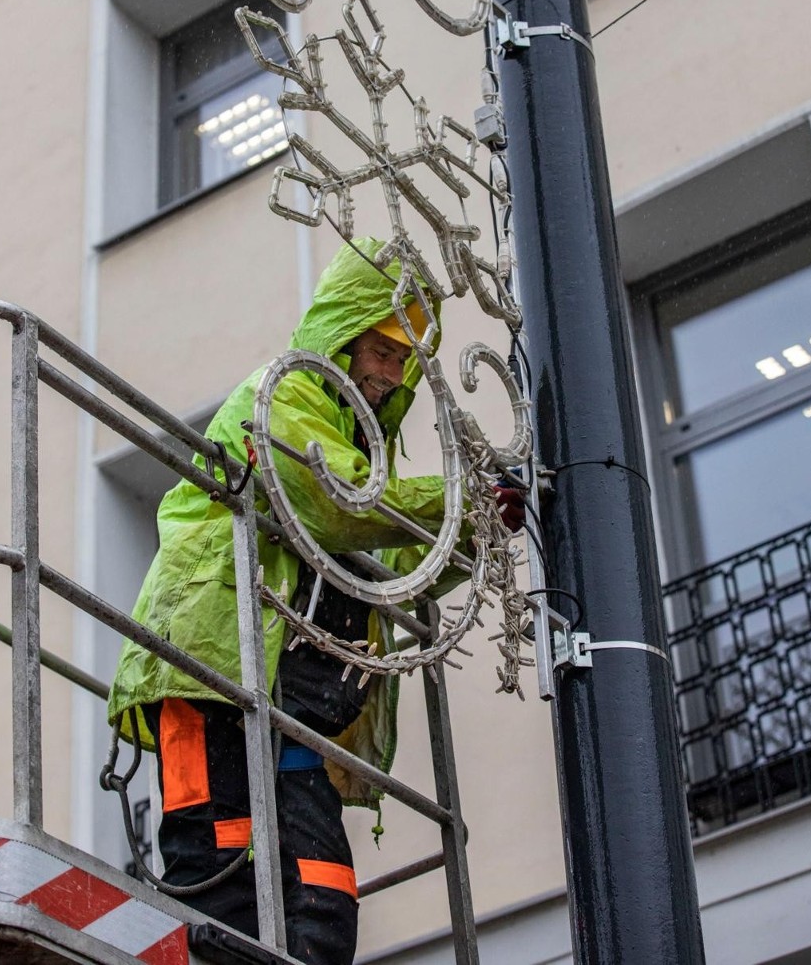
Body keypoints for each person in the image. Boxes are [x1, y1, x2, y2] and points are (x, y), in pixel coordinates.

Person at [107, 237, 523, 964]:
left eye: (402, 361)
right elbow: (334, 505)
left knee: (320, 881)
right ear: (344, 335)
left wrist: (472, 534)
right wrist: (458, 499)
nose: (393, 376)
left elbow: (394, 569)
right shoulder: (286, 394)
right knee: (218, 847)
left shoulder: (367, 458)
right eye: (383, 353)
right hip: (206, 656)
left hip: (296, 697)